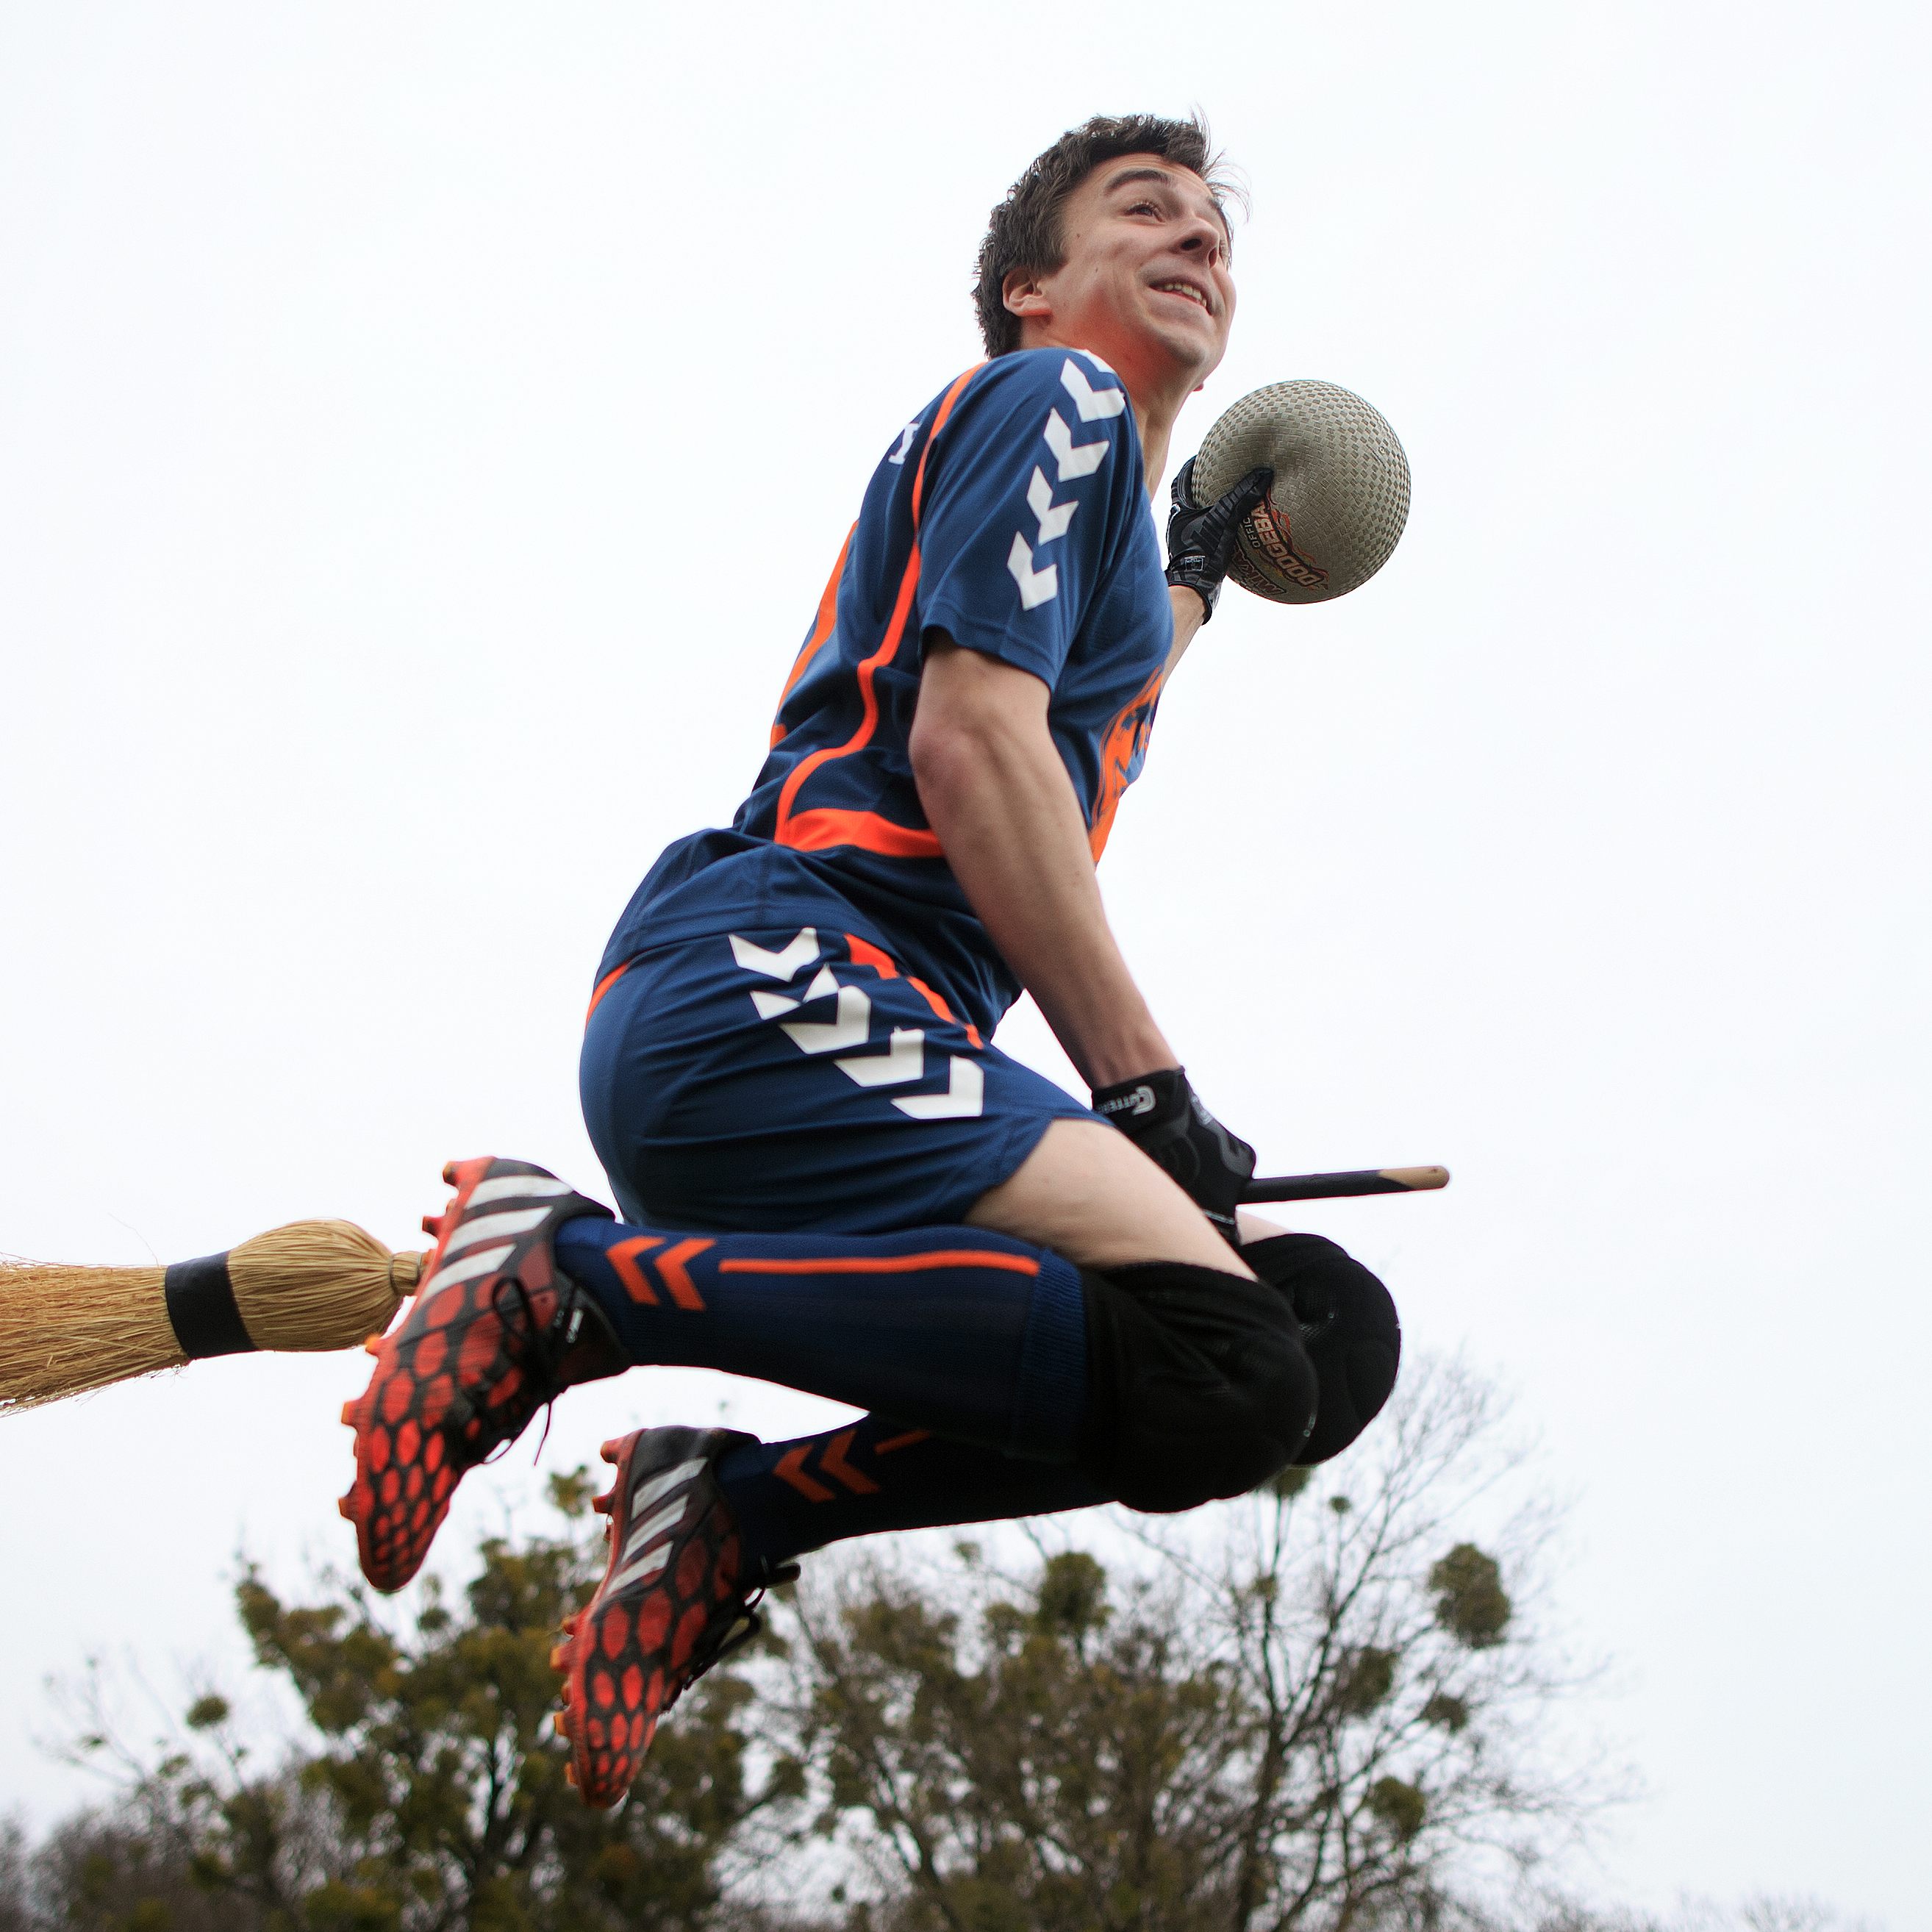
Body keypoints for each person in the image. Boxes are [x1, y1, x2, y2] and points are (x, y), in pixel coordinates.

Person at [338, 113, 1400, 1808]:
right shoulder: (1047, 407)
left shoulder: (1101, 533)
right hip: (769, 983)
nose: (1202, 242)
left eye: (1218, 228)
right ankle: (570, 1280)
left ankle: (731, 1514)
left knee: (1318, 1343)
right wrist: (1145, 1092)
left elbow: (1108, 677)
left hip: (862, 1026)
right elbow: (980, 751)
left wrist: (1202, 569)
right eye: (1149, 213)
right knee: (1227, 1356)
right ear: (1028, 289)